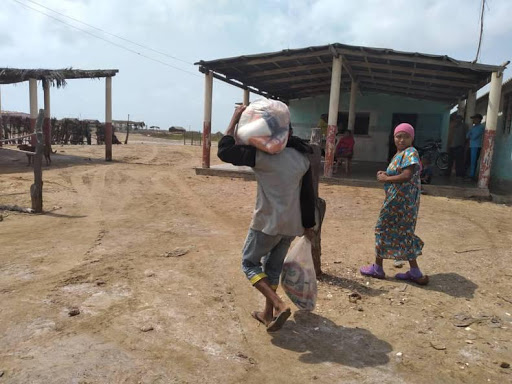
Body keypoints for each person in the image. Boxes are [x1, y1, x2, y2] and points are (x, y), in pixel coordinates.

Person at [218, 105, 316, 332]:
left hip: (266, 223)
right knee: (271, 269)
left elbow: (225, 151)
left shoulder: (262, 156)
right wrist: (309, 225)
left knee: (249, 263)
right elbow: (307, 195)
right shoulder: (302, 158)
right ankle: (267, 314)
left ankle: (279, 305)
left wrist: (234, 118)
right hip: (292, 225)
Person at [360, 123, 428, 285]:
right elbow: (397, 173)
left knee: (382, 229)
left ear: (412, 138)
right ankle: (415, 272)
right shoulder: (400, 154)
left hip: (401, 203)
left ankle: (378, 268)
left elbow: (406, 175)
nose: (401, 139)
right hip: (398, 201)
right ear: (394, 137)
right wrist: (385, 174)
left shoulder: (411, 152)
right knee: (404, 233)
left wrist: (386, 179)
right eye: (398, 136)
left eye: (406, 136)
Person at [466, 113, 485, 180]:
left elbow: (473, 137)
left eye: (475, 118)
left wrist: (470, 135)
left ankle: (472, 176)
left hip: (476, 146)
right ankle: (470, 174)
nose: (473, 120)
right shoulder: (474, 127)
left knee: (473, 161)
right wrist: (470, 135)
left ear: (479, 119)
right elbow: (467, 135)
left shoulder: (481, 127)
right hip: (471, 146)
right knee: (470, 161)